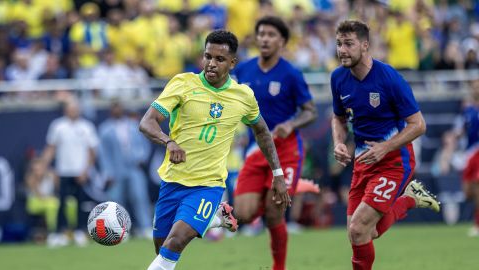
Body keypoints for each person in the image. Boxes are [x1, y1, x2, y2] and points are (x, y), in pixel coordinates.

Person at [139, 29, 290, 270]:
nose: (211, 64)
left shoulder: (243, 96)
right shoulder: (182, 83)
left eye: (219, 59)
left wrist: (278, 174)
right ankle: (216, 218)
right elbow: (147, 122)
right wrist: (169, 141)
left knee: (175, 243)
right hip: (172, 181)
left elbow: (262, 131)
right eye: (208, 56)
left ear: (232, 63)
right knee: (162, 249)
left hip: (207, 185)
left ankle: (212, 214)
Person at [330, 20, 441, 270]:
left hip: (394, 161)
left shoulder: (389, 77)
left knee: (359, 230)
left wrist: (385, 147)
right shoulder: (338, 78)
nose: (342, 50)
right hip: (363, 162)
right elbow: (337, 117)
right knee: (362, 233)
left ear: (365, 45)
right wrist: (338, 142)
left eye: (349, 43)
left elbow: (418, 124)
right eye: (339, 43)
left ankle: (409, 196)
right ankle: (409, 199)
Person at [232, 16, 317, 270]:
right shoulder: (243, 70)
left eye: (270, 34)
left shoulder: (291, 73)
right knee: (244, 214)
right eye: (261, 34)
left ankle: (279, 267)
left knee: (273, 212)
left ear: (282, 41)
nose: (265, 39)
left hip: (286, 151)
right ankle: (285, 189)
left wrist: (291, 124)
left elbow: (310, 111)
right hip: (255, 150)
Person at [42, 98, 99, 247]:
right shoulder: (58, 126)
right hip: (63, 171)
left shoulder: (87, 127)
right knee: (61, 203)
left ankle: (80, 232)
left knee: (81, 203)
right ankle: (61, 232)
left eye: (76, 108)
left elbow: (92, 152)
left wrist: (86, 171)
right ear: (66, 110)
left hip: (80, 173)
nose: (73, 111)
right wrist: (46, 167)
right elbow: (51, 148)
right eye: (71, 108)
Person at [98, 100, 152, 238]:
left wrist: (142, 158)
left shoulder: (134, 125)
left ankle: (145, 227)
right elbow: (103, 153)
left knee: (139, 196)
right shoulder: (105, 129)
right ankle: (120, 230)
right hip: (116, 170)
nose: (117, 111)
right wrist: (107, 172)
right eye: (114, 108)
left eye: (119, 108)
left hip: (134, 168)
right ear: (111, 111)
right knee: (116, 200)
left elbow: (145, 144)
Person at [452, 79, 479, 236]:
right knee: (468, 193)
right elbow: (461, 129)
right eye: (474, 87)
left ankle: (477, 224)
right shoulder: (467, 110)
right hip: (468, 153)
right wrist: (455, 136)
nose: (476, 90)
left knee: (477, 187)